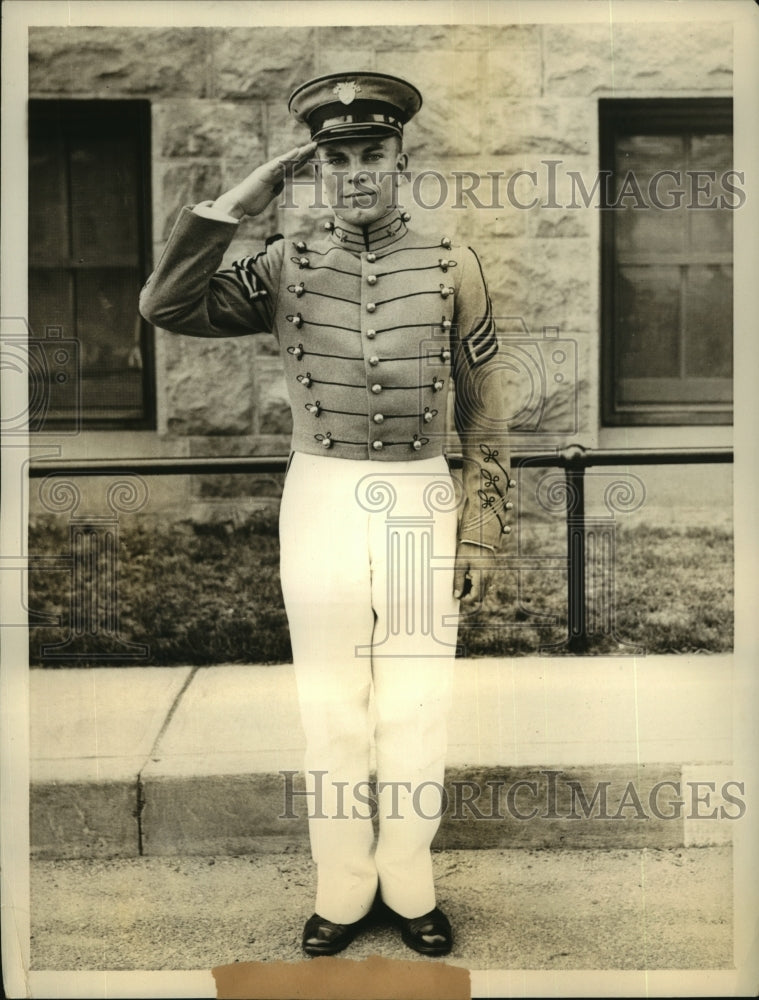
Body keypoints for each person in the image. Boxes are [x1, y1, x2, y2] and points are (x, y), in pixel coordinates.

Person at [139, 71, 514, 959]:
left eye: (371, 154)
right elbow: (166, 305)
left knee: (416, 701)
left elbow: (485, 412)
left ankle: (408, 880)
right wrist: (242, 201)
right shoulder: (285, 265)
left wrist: (480, 528)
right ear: (316, 170)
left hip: (419, 494)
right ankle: (343, 886)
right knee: (330, 704)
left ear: (399, 160)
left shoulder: (452, 265)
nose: (354, 173)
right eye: (335, 159)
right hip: (320, 497)